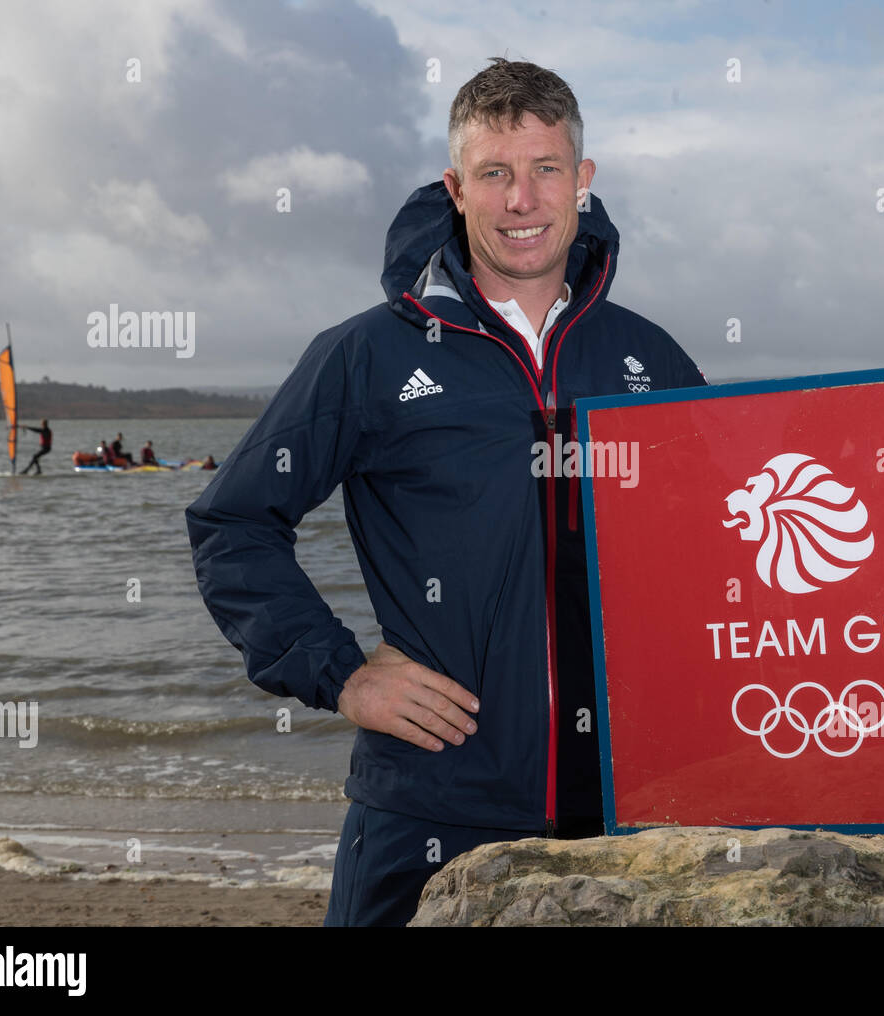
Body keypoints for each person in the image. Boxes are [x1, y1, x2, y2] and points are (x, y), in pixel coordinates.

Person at [186, 58, 705, 927]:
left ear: (583, 181)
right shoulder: (368, 355)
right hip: (430, 797)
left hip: (625, 805)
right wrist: (341, 671)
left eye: (546, 170)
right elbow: (233, 520)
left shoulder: (649, 358)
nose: (523, 200)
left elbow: (723, 546)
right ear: (455, 189)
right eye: (495, 174)